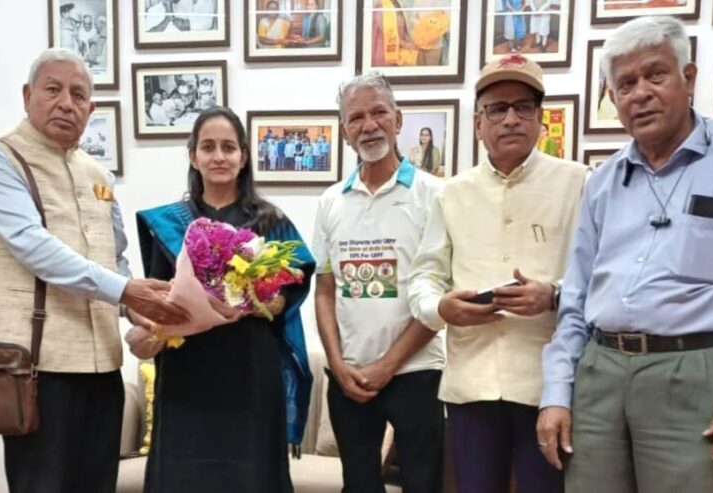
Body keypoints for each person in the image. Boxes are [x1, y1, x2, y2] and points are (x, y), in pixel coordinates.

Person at [538, 17, 713, 492]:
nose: (640, 93)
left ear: (689, 78)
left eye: (655, 75)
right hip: (598, 374)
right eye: (625, 84)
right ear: (613, 97)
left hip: (697, 373)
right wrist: (556, 392)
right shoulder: (603, 181)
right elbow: (575, 297)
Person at [0, 48, 189, 493]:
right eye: (53, 90)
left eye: (78, 95)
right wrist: (127, 291)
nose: (65, 103)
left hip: (103, 367)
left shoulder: (97, 174)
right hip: (39, 366)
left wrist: (145, 312)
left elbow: (116, 257)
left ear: (91, 108)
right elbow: (34, 247)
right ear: (28, 95)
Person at [409, 54, 585, 493]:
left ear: (540, 118)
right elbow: (424, 277)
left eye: (523, 107)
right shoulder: (452, 193)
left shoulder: (580, 183)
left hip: (550, 386)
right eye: (497, 109)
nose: (510, 119)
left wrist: (553, 294)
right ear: (478, 123)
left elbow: (602, 277)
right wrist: (441, 308)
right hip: (472, 384)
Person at [131, 106, 316, 493]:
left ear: (243, 157)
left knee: (250, 477)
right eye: (208, 147)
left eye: (229, 148)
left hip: (250, 372)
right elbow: (155, 296)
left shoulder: (271, 222)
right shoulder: (168, 222)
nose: (219, 156)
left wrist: (258, 299)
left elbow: (291, 289)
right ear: (193, 156)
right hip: (186, 376)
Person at [312, 72, 446, 492]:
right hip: (349, 376)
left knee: (423, 483)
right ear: (345, 132)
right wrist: (337, 364)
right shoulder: (330, 201)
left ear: (398, 119)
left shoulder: (435, 194)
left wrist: (387, 365)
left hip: (418, 371)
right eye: (356, 118)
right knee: (358, 484)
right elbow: (325, 289)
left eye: (378, 113)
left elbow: (439, 292)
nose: (368, 125)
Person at [372, 0, 417, 66]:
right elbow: (388, 33)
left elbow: (406, 26)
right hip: (384, 52)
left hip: (399, 50)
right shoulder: (381, 6)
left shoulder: (399, 4)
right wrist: (406, 44)